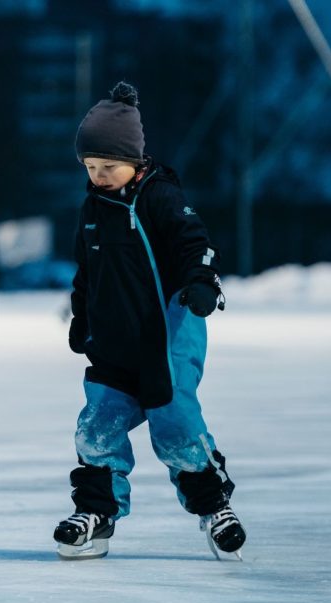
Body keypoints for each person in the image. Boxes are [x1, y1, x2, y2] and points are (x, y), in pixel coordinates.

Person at [54, 82, 245, 560]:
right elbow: (87, 272)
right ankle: (97, 512)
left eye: (108, 167)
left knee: (175, 423)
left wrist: (202, 281)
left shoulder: (161, 197)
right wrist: (82, 317)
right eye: (90, 168)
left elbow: (192, 242)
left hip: (166, 335)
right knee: (96, 428)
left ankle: (214, 507)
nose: (98, 177)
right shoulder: (93, 209)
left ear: (136, 160)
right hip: (113, 341)